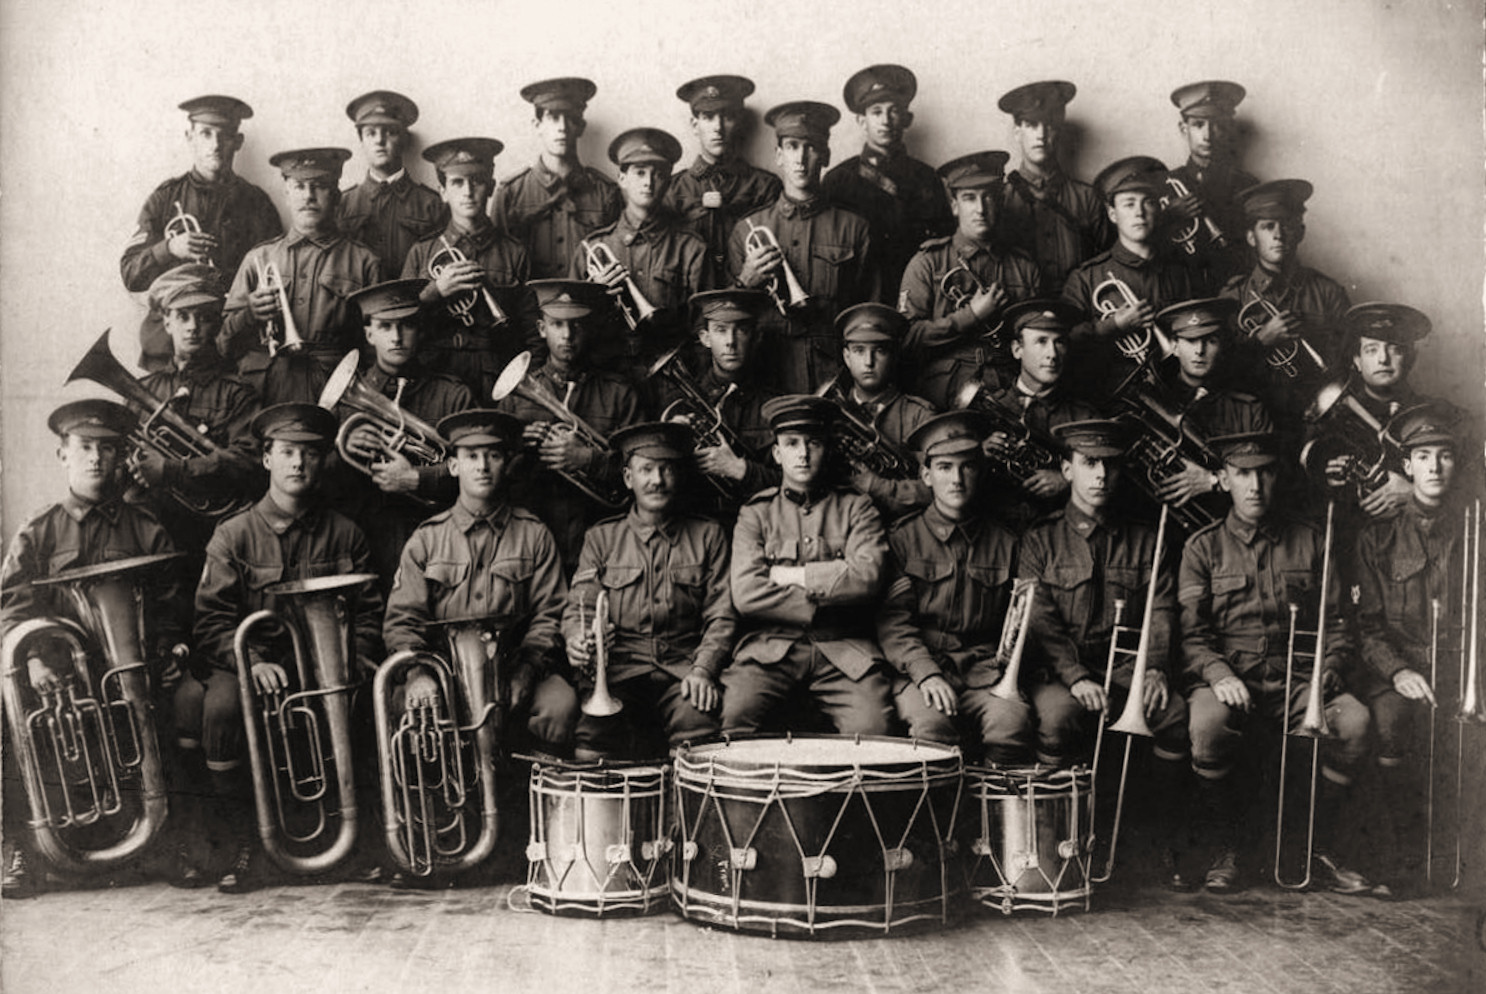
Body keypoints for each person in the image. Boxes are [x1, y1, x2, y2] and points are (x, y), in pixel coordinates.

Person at [187, 403, 384, 894]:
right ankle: (246, 844)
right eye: (288, 452)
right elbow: (211, 621)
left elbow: (370, 615)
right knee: (224, 707)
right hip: (255, 667)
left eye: (311, 454)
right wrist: (249, 662)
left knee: (363, 703)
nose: (299, 463)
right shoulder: (233, 535)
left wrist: (350, 666)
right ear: (268, 460)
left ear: (322, 463)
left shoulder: (348, 534)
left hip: (326, 667)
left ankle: (351, 841)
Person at [0, 401, 189, 898]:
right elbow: (11, 608)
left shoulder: (146, 528)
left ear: (122, 457)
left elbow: (171, 603)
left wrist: (172, 649)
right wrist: (35, 658)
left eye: (108, 449)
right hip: (60, 674)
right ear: (63, 454)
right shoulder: (38, 530)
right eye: (85, 448)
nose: (96, 459)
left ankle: (168, 839)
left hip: (133, 670)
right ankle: (24, 843)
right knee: (9, 718)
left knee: (184, 703)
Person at [1180, 431, 1377, 895]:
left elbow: (1340, 624)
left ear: (1277, 477)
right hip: (1233, 678)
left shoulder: (1311, 540)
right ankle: (1227, 846)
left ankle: (1317, 846)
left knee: (1355, 723)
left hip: (1301, 680)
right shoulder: (1201, 548)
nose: (1255, 486)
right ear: (1224, 479)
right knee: (1207, 725)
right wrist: (1219, 674)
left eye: (1264, 473)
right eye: (1243, 474)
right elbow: (1191, 634)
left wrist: (1328, 671)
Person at [1019, 419, 1192, 887]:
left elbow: (1162, 610)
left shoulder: (1147, 537)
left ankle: (1162, 847)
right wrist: (1075, 676)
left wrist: (1152, 669)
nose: (1100, 476)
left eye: (1110, 467)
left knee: (1173, 714)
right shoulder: (1040, 538)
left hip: (1125, 668)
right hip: (1060, 674)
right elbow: (1040, 621)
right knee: (1057, 719)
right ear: (1066, 468)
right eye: (1088, 464)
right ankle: (1051, 848)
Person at [382, 408, 576, 780]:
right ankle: (441, 811)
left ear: (506, 464)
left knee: (559, 704)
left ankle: (534, 811)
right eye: (471, 457)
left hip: (515, 670)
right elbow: (402, 621)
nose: (483, 466)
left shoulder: (533, 534)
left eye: (494, 456)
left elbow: (551, 614)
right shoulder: (427, 538)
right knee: (408, 706)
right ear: (453, 466)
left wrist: (528, 669)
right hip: (442, 676)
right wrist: (418, 674)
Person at [721, 395, 893, 736]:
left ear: (826, 449)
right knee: (736, 715)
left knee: (874, 728)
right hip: (771, 649)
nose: (802, 453)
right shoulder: (756, 513)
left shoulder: (857, 509)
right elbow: (746, 594)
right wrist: (830, 590)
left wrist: (789, 576)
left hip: (844, 649)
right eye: (791, 444)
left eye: (813, 443)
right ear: (776, 453)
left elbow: (868, 579)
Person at [1352, 405, 1470, 894]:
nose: (1435, 467)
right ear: (1407, 467)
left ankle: (1460, 861)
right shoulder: (1375, 539)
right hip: (1397, 673)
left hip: (1462, 671)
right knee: (1392, 722)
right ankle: (1402, 858)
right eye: (1424, 457)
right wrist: (1398, 671)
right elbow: (1367, 627)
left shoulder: (1475, 531)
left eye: (1444, 456)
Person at [562, 422, 733, 760]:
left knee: (697, 736)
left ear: (679, 475)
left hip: (683, 670)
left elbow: (722, 615)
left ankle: (681, 814)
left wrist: (704, 670)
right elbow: (579, 606)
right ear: (628, 478)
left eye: (667, 469)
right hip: (619, 672)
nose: (657, 480)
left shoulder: (708, 535)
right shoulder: (601, 538)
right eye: (646, 470)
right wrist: (578, 636)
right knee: (593, 743)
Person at [875, 411, 1032, 762]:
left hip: (984, 672)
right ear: (926, 475)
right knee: (933, 728)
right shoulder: (902, 539)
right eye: (945, 468)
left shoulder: (1006, 542)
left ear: (981, 472)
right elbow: (893, 624)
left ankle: (994, 816)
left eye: (968, 467)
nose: (957, 479)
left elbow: (1018, 623)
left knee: (1011, 724)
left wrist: (1006, 671)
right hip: (920, 669)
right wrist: (926, 673)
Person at [121, 95, 283, 372]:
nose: (215, 145)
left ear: (238, 141)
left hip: (235, 347)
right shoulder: (164, 198)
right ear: (189, 137)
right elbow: (130, 274)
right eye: (206, 134)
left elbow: (276, 277)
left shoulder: (257, 203)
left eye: (225, 136)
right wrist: (170, 248)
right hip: (170, 350)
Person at [728, 100, 879, 394]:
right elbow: (726, 319)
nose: (800, 158)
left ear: (825, 155)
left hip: (833, 372)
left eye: (810, 147)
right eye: (792, 146)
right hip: (765, 371)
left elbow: (867, 314)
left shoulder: (856, 228)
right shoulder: (747, 229)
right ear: (779, 156)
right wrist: (745, 281)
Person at [331, 278, 475, 587]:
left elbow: (479, 468)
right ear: (369, 334)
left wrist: (416, 479)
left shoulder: (452, 394)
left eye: (406, 325)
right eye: (385, 327)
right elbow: (322, 476)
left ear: (420, 330)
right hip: (368, 536)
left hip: (439, 536)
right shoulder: (346, 398)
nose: (396, 337)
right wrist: (344, 450)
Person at [494, 279, 642, 571]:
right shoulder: (516, 396)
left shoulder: (619, 393)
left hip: (602, 537)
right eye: (557, 324)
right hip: (530, 539)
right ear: (541, 329)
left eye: (576, 325)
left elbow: (643, 468)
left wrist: (588, 459)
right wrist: (519, 447)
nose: (567, 335)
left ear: (589, 328)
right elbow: (493, 476)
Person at [220, 147, 383, 403]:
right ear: (286, 193)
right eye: (299, 186)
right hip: (264, 392)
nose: (308, 196)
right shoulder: (258, 259)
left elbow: (376, 348)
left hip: (335, 390)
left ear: (336, 195)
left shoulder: (364, 261)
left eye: (319, 186)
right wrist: (249, 314)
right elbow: (223, 345)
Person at [134, 264, 263, 560]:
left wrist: (169, 470)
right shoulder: (145, 390)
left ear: (217, 325)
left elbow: (249, 461)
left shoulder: (237, 392)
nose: (192, 327)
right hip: (151, 528)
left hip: (212, 531)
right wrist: (135, 467)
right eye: (182, 317)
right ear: (167, 322)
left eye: (204, 318)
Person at [897, 150, 1040, 408]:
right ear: (954, 206)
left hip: (1010, 388)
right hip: (944, 390)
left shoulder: (1023, 265)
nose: (980, 209)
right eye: (969, 198)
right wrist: (971, 315)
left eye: (988, 197)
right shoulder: (928, 262)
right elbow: (907, 339)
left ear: (1000, 201)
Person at [402, 137, 539, 398]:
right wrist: (433, 293)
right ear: (443, 191)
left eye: (476, 181)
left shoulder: (514, 252)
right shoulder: (422, 252)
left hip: (498, 376)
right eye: (456, 182)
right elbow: (397, 325)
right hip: (435, 375)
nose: (467, 191)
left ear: (489, 187)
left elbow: (533, 334)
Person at [1122, 298, 1273, 531]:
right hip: (1154, 527)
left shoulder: (1250, 409)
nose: (1200, 351)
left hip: (1228, 531)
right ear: (1173, 346)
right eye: (1190, 341)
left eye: (1210, 341)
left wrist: (1213, 481)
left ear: (1221, 346)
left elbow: (1269, 478)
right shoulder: (1148, 402)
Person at [570, 127, 711, 375]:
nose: (648, 182)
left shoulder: (691, 248)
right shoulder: (592, 248)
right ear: (622, 179)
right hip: (606, 378)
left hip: (671, 378)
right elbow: (568, 327)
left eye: (658, 174)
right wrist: (594, 299)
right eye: (640, 173)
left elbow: (702, 329)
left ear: (668, 181)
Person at [1061, 156, 1197, 403]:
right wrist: (1113, 326)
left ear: (1158, 209)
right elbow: (1063, 343)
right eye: (1129, 204)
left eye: (1148, 203)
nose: (1140, 213)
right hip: (1109, 398)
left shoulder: (1180, 272)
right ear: (1112, 214)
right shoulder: (1085, 277)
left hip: (1175, 393)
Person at [1218, 179, 1349, 415]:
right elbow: (1221, 373)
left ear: (1300, 232)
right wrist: (1261, 341)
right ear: (1251, 237)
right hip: (1255, 416)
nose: (1278, 235)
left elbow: (1348, 365)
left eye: (1287, 225)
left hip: (1318, 415)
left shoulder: (1329, 293)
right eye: (1268, 227)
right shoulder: (1232, 296)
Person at [821, 65, 952, 301]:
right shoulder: (838, 180)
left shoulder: (927, 177)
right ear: (862, 120)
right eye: (876, 112)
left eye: (893, 111)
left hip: (917, 291)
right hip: (856, 293)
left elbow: (944, 244)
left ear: (905, 119)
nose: (885, 120)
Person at [655, 289, 780, 520]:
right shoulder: (678, 402)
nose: (730, 342)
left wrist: (739, 469)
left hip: (760, 522)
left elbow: (793, 483)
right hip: (694, 525)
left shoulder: (773, 406)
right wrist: (673, 447)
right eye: (720, 331)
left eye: (740, 330)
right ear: (705, 338)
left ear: (754, 336)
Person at [973, 300, 1096, 530]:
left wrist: (1068, 479)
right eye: (1041, 342)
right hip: (993, 532)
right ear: (1017, 350)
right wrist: (978, 454)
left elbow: (1106, 473)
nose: (1052, 354)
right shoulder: (988, 407)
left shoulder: (1085, 415)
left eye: (1059, 342)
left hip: (1060, 534)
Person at [491, 78, 621, 280]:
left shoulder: (605, 192)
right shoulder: (511, 192)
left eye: (570, 118)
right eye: (553, 118)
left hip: (589, 306)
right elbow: (498, 263)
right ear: (537, 125)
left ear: (581, 127)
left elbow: (616, 258)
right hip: (528, 308)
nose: (562, 127)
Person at [818, 302, 934, 519]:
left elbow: (936, 490)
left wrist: (875, 485)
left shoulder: (920, 415)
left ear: (894, 356)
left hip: (904, 526)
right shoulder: (830, 414)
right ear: (846, 357)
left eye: (879, 351)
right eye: (859, 351)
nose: (869, 362)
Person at [995, 81, 1111, 296]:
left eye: (1049, 125)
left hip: (1080, 314)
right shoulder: (998, 199)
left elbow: (1107, 267)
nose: (1041, 134)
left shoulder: (1087, 198)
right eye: (1031, 125)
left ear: (1058, 131)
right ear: (1018, 132)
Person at [665, 75, 782, 279]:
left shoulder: (765, 187)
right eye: (708, 117)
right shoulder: (672, 189)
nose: (717, 127)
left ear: (739, 123)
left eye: (727, 117)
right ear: (695, 125)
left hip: (752, 297)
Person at [336, 90, 445, 275]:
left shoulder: (431, 204)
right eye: (371, 133)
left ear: (403, 140)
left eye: (390, 132)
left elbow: (440, 265)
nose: (379, 140)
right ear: (361, 141)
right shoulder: (343, 204)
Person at [1164, 81, 1257, 288]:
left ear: (1229, 129)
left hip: (1236, 290)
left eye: (1218, 125)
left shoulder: (1248, 185)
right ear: (1183, 128)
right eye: (1198, 125)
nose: (1208, 135)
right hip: (1181, 291)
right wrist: (1168, 216)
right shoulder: (1164, 184)